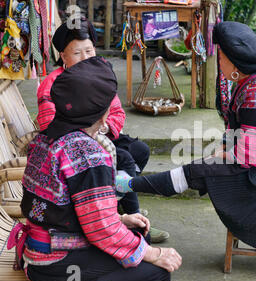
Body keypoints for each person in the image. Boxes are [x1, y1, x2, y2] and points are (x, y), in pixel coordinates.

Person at [116, 21, 256, 255]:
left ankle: (126, 185)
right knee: (200, 169)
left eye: (221, 57)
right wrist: (223, 150)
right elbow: (236, 134)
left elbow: (248, 155)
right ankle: (129, 186)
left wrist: (220, 156)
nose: (218, 62)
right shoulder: (252, 82)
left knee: (197, 171)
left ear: (235, 63)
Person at [7, 57, 181, 281]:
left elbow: (64, 208)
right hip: (57, 265)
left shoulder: (43, 140)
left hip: (37, 255)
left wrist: (121, 218)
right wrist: (155, 254)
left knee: (140, 236)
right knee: (156, 273)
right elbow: (101, 230)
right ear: (103, 115)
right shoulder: (88, 154)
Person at [35, 17, 169, 243]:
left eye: (89, 51)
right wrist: (88, 131)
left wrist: (106, 126)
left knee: (140, 151)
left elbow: (117, 112)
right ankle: (130, 221)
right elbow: (50, 125)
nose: (86, 58)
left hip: (102, 134)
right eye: (77, 53)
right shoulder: (54, 83)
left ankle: (113, 200)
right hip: (72, 145)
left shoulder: (99, 73)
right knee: (124, 160)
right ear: (63, 56)